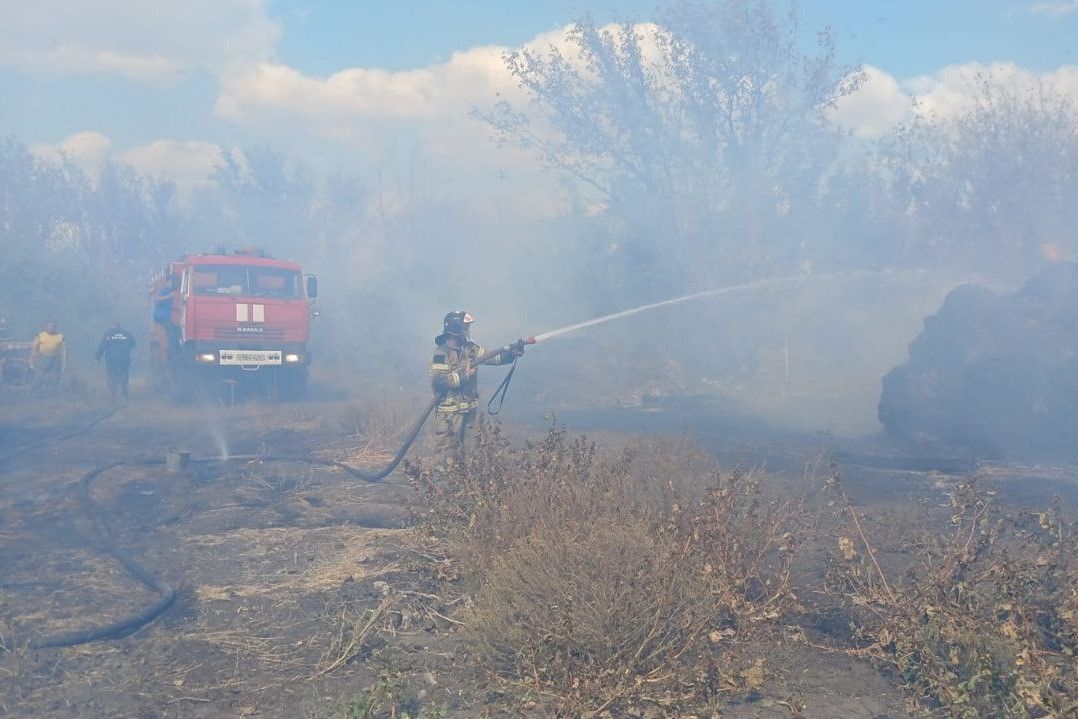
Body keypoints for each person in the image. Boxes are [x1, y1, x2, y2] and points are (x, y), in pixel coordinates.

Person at [429, 310, 524, 454]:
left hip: (469, 413)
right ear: (456, 330)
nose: (467, 331)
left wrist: (511, 354)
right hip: (449, 417)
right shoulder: (441, 354)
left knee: (471, 454)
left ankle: (466, 477)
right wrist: (464, 376)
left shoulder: (470, 349)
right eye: (465, 328)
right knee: (447, 459)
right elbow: (439, 381)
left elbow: (493, 357)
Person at [95, 322, 137, 399]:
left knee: (111, 374)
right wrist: (126, 347)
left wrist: (97, 358)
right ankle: (124, 390)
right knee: (124, 374)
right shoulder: (127, 334)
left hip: (111, 360)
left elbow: (102, 346)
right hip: (124, 359)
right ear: (120, 326)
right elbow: (134, 344)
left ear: (112, 326)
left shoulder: (108, 334)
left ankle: (113, 392)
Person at [31, 321, 67, 387]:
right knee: (40, 375)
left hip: (55, 359)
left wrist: (63, 365)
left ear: (55, 328)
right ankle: (37, 389)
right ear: (45, 327)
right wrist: (32, 360)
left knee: (55, 376)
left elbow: (64, 351)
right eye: (48, 326)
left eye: (52, 326)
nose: (50, 328)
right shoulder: (40, 335)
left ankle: (53, 390)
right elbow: (34, 347)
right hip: (43, 358)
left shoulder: (61, 337)